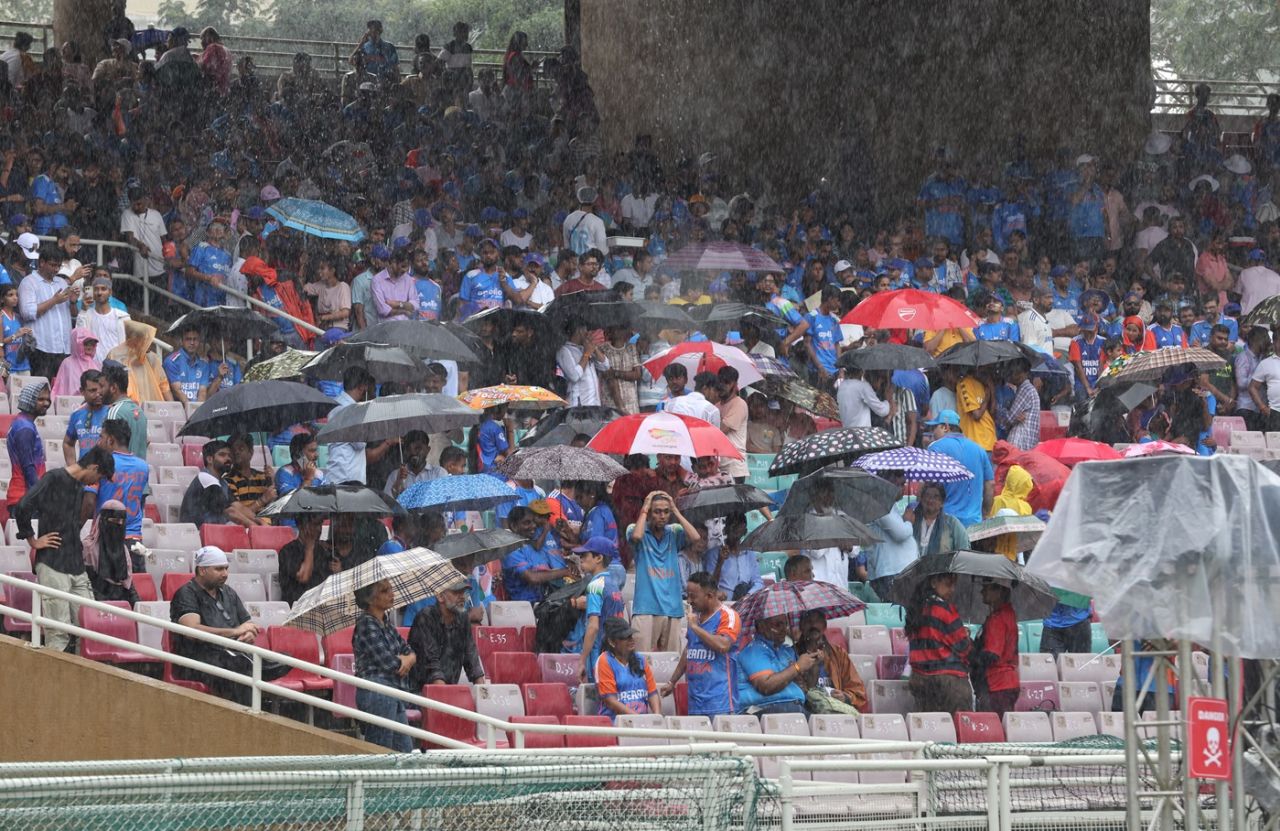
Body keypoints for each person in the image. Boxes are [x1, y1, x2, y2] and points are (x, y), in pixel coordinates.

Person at [14, 446, 114, 653]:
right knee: (58, 634)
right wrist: (33, 540)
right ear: (94, 468)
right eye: (99, 477)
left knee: (88, 628)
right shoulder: (53, 478)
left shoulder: (79, 486)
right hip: (52, 563)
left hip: (76, 565)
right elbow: (23, 506)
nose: (95, 483)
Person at [170, 546, 286, 704]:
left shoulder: (228, 592)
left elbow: (248, 623)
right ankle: (248, 710)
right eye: (219, 569)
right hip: (198, 659)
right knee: (242, 665)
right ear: (202, 570)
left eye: (226, 568)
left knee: (283, 659)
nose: (225, 574)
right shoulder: (186, 593)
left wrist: (249, 633)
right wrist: (235, 631)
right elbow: (192, 630)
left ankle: (256, 688)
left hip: (233, 653)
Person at [629, 490, 701, 652]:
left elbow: (696, 538)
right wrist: (645, 507)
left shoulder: (674, 531)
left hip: (672, 607)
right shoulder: (635, 529)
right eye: (657, 511)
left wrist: (676, 510)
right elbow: (637, 537)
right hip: (646, 608)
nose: (662, 516)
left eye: (666, 512)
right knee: (641, 659)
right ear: (649, 513)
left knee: (671, 660)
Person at [352, 578, 416, 752]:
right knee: (381, 749)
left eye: (390, 589)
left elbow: (409, 651)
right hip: (376, 692)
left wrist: (408, 658)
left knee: (404, 752)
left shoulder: (386, 623)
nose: (391, 594)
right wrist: (404, 659)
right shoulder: (366, 623)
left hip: (393, 692)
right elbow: (389, 663)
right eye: (384, 591)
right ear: (369, 599)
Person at [904, 573, 973, 715]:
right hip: (948, 681)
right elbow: (963, 647)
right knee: (958, 725)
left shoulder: (916, 610)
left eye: (954, 585)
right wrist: (967, 637)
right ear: (934, 582)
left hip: (920, 679)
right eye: (948, 584)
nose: (952, 589)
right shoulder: (944, 610)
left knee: (930, 724)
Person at [408, 575, 487, 687]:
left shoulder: (463, 617)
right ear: (440, 596)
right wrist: (445, 694)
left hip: (448, 687)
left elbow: (470, 655)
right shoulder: (425, 617)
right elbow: (431, 665)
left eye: (463, 592)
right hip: (420, 690)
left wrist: (482, 689)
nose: (462, 597)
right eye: (456, 593)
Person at [90, 419, 149, 565]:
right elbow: (140, 500)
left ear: (110, 440)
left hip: (107, 537)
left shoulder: (102, 464)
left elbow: (89, 501)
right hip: (134, 539)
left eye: (101, 437)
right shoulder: (143, 466)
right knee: (134, 578)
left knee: (106, 579)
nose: (99, 442)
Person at [570, 537, 626, 683]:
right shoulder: (613, 585)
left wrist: (582, 660)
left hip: (599, 656)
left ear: (599, 558)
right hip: (615, 655)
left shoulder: (595, 586)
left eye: (585, 555)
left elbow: (593, 627)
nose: (581, 559)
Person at [734, 611, 812, 716]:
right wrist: (797, 667)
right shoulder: (754, 650)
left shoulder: (785, 651)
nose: (784, 629)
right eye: (778, 624)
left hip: (790, 708)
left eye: (785, 624)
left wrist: (812, 664)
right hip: (764, 710)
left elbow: (806, 686)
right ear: (761, 626)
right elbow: (766, 686)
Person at [925, 410, 993, 526]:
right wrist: (985, 514)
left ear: (945, 427)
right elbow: (990, 485)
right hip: (974, 524)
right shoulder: (979, 450)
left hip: (945, 523)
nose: (933, 433)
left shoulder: (936, 448)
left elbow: (928, 484)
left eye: (934, 428)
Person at [19, 245, 75, 380]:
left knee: (61, 389)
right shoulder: (28, 282)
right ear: (41, 262)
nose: (56, 269)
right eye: (52, 265)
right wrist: (54, 301)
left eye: (58, 266)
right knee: (41, 388)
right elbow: (27, 313)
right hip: (40, 348)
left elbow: (73, 314)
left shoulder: (62, 282)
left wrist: (73, 302)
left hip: (63, 348)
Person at [795, 609, 868, 711]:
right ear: (801, 627)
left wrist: (845, 696)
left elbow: (857, 690)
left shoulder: (838, 654)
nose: (813, 625)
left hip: (835, 710)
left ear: (824, 625)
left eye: (817, 621)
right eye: (808, 621)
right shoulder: (792, 653)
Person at [863, 470, 920, 600]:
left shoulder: (890, 505)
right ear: (887, 484)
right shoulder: (879, 505)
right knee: (898, 609)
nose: (903, 488)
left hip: (898, 571)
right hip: (891, 572)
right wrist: (908, 521)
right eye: (900, 484)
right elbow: (900, 533)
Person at [594, 617, 661, 722]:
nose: (631, 640)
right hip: (615, 723)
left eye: (631, 635)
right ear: (612, 642)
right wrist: (638, 720)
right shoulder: (604, 661)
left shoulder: (641, 660)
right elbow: (611, 701)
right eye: (625, 637)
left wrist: (657, 718)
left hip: (643, 724)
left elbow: (652, 693)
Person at [502, 505, 573, 603]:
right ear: (514, 526)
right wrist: (565, 572)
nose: (534, 526)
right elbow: (533, 578)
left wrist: (569, 564)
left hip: (544, 600)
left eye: (533, 522)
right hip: (525, 605)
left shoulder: (531, 544)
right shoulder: (511, 549)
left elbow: (548, 570)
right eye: (527, 523)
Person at [180, 439, 258, 527]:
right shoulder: (206, 479)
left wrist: (260, 522)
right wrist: (255, 528)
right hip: (198, 531)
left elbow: (239, 507)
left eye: (229, 455)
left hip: (215, 530)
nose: (228, 458)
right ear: (210, 459)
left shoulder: (222, 482)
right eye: (222, 455)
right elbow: (230, 512)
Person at [971, 579, 1019, 719]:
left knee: (991, 726)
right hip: (1008, 683)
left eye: (986, 588)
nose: (982, 591)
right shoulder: (1009, 614)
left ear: (999, 591)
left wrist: (971, 654)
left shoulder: (997, 619)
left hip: (995, 684)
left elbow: (991, 655)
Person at [6, 379, 50, 522]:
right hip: (25, 498)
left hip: (25, 497)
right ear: (29, 400)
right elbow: (28, 467)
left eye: (47, 399)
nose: (46, 403)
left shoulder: (23, 423)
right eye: (40, 399)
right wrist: (39, 497)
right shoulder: (25, 428)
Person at [82, 499, 136, 604]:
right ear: (103, 521)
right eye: (115, 521)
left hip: (122, 604)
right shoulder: (88, 548)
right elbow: (87, 585)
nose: (119, 525)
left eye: (122, 522)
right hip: (96, 603)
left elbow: (128, 587)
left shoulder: (123, 550)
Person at [704, 513, 764, 600]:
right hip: (724, 602)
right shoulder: (713, 554)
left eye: (738, 532)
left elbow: (758, 582)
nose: (735, 536)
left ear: (744, 532)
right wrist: (720, 562)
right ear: (725, 530)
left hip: (746, 601)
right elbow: (709, 586)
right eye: (732, 530)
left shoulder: (750, 554)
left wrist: (748, 595)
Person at [107, 321, 171, 403]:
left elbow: (164, 385)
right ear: (136, 340)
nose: (149, 343)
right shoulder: (115, 356)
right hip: (127, 407)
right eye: (146, 340)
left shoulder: (151, 358)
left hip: (152, 407)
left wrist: (173, 407)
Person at [275, 514, 331, 604]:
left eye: (320, 524)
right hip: (296, 604)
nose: (319, 529)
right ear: (302, 526)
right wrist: (309, 547)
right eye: (315, 525)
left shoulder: (322, 551)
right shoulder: (288, 551)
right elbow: (304, 577)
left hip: (319, 603)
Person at [556, 318, 609, 406]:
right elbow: (574, 376)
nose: (587, 333)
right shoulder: (564, 351)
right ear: (579, 331)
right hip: (579, 405)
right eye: (585, 330)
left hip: (594, 404)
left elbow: (605, 366)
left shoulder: (585, 347)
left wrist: (594, 347)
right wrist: (586, 354)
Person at [75, 276, 130, 360]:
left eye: (103, 289)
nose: (99, 292)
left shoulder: (122, 316)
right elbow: (79, 338)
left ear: (110, 292)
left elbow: (130, 343)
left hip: (117, 364)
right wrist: (83, 310)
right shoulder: (86, 315)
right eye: (96, 289)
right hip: (93, 365)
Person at [911, 482, 971, 557]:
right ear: (922, 499)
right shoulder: (912, 520)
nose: (930, 500)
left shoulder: (952, 524)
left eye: (935, 497)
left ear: (942, 502)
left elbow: (964, 552)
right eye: (927, 495)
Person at [61, 369, 106, 463]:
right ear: (82, 391)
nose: (98, 394)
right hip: (84, 471)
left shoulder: (113, 412)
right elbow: (68, 443)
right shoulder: (77, 415)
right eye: (93, 390)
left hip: (107, 470)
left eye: (101, 389)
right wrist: (73, 468)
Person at [223, 433, 277, 511]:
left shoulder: (263, 477)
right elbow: (238, 513)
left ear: (251, 452)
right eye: (233, 450)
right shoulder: (228, 480)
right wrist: (262, 500)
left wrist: (272, 481)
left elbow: (274, 506)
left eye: (241, 449)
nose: (236, 452)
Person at [997, 359, 1041, 451]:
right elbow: (1013, 418)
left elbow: (1009, 418)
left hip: (1020, 442)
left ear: (1022, 374)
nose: (1011, 376)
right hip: (1027, 443)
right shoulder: (1025, 389)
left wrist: (998, 409)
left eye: (1014, 372)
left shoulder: (1025, 389)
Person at [385, 430, 445, 496]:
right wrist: (397, 485)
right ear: (405, 451)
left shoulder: (438, 473)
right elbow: (387, 501)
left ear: (427, 450)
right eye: (409, 449)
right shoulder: (395, 476)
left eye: (418, 448)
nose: (413, 452)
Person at [275, 431, 324, 497]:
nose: (317, 455)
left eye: (316, 450)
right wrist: (308, 479)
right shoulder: (285, 473)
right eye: (312, 451)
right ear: (298, 455)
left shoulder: (319, 475)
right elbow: (292, 500)